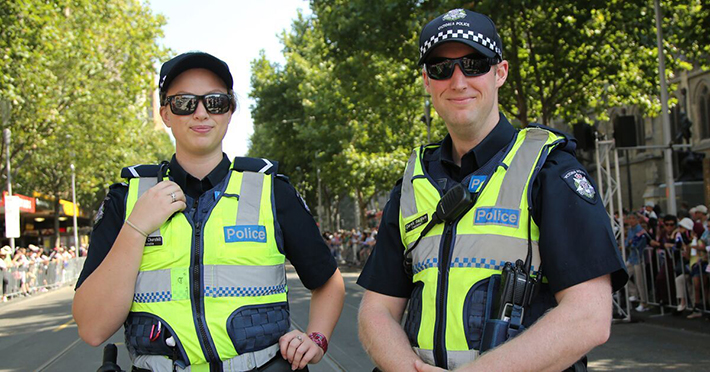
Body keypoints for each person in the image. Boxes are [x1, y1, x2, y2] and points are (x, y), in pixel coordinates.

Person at [356, 9, 627, 372]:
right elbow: (376, 310)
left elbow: (588, 317)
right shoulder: (411, 182)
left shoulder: (549, 168)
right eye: (440, 68)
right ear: (426, 81)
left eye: (474, 63)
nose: (458, 81)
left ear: (500, 72)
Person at [73, 52, 345, 372]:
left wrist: (317, 338)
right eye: (184, 102)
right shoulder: (127, 199)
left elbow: (328, 282)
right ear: (165, 113)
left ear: (229, 111)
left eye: (215, 101)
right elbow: (92, 329)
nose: (201, 112)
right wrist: (135, 227)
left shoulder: (272, 191)